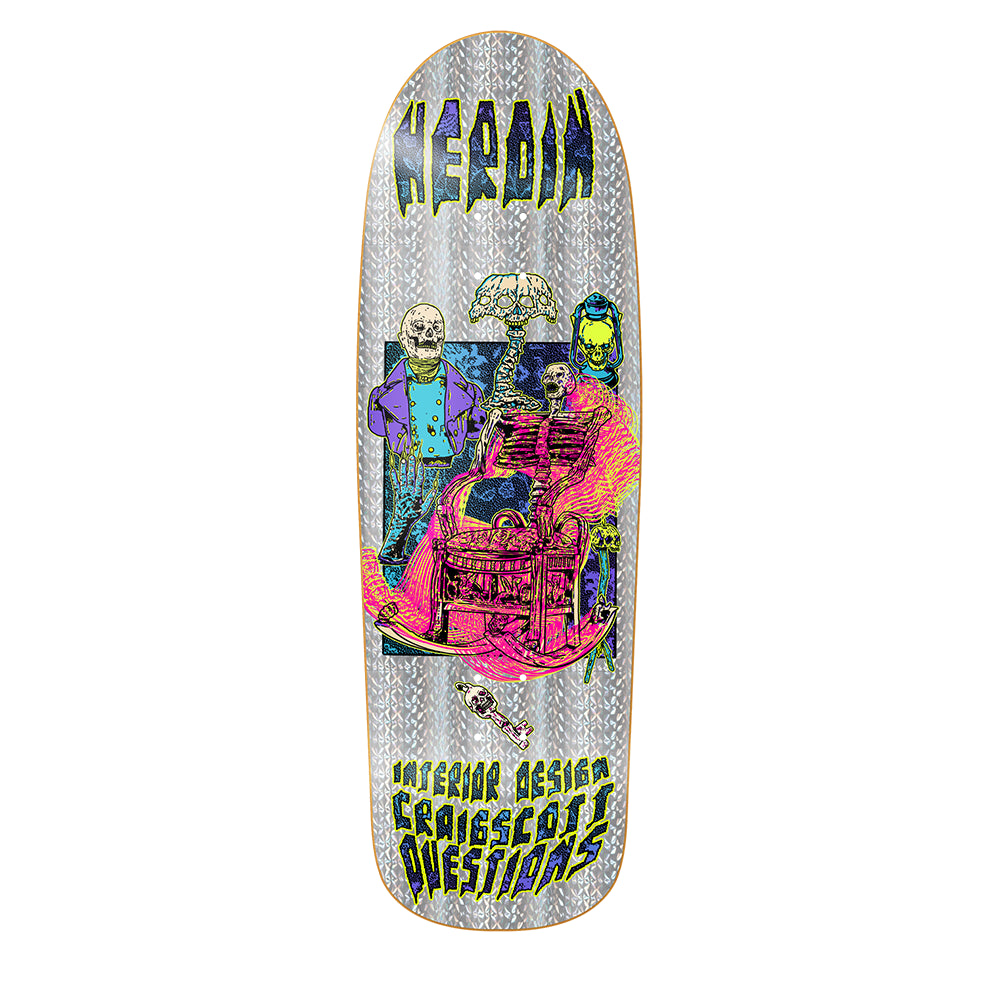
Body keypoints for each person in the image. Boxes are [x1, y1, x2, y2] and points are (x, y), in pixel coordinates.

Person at [367, 303, 487, 564]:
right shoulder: (382, 396)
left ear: (443, 338)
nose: (428, 336)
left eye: (435, 329)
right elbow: (376, 426)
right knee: (408, 513)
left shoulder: (468, 392)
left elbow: (476, 429)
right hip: (409, 468)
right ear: (403, 339)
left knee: (454, 528)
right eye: (419, 328)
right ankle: (394, 549)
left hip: (452, 468)